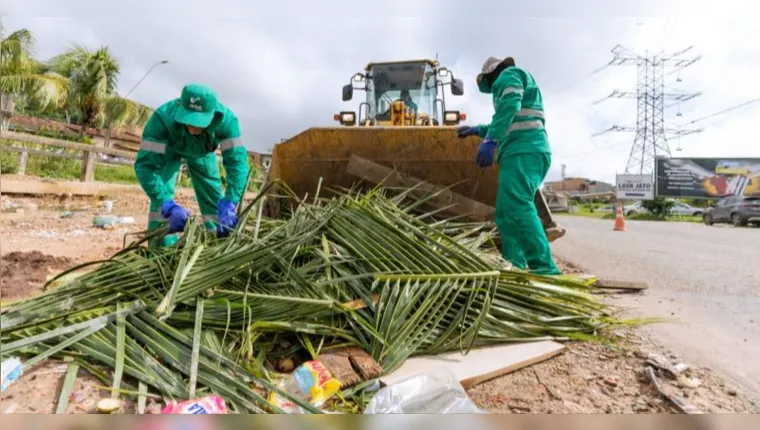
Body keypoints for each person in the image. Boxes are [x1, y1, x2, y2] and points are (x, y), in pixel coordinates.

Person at [456, 57, 560, 275]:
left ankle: (545, 269)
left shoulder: (509, 75)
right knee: (504, 213)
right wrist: (478, 130)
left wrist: (491, 139)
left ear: (491, 74)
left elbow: (510, 104)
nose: (491, 89)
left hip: (524, 150)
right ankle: (514, 263)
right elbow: (508, 117)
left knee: (518, 206)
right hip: (520, 152)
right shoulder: (510, 80)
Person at [135, 83, 250, 247]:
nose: (192, 127)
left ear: (213, 115)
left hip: (202, 153)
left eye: (199, 122)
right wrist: (166, 204)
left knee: (212, 197)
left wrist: (231, 200)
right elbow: (146, 166)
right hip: (169, 149)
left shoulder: (226, 122)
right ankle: (162, 251)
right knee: (161, 198)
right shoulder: (162, 119)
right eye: (188, 120)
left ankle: (215, 243)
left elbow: (237, 164)